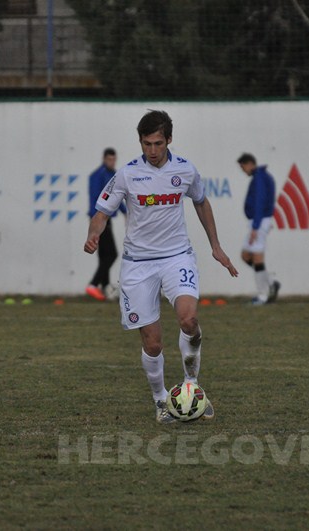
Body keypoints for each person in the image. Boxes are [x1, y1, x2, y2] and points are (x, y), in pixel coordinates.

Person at [84, 110, 238, 424]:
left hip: (176, 257)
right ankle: (160, 402)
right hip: (138, 265)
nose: (152, 150)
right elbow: (102, 212)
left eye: (157, 143)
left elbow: (201, 201)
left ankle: (192, 386)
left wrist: (216, 246)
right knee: (153, 343)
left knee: (189, 319)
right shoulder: (127, 174)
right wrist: (93, 234)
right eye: (146, 144)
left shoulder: (185, 170)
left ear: (169, 140)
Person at [237, 153, 280, 305]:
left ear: (249, 164)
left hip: (259, 222)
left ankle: (263, 295)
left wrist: (256, 226)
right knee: (245, 255)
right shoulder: (260, 177)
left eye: (243, 167)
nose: (243, 171)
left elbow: (259, 202)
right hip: (258, 221)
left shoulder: (260, 178)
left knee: (256, 257)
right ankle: (270, 281)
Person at [86, 147, 125, 301]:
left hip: (107, 220)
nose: (112, 162)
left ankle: (105, 287)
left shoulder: (111, 174)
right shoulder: (99, 175)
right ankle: (93, 284)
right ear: (104, 159)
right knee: (112, 254)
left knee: (104, 256)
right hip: (100, 220)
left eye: (114, 159)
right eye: (109, 159)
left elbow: (115, 197)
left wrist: (124, 210)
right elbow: (103, 200)